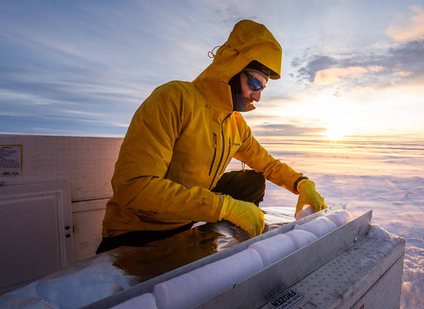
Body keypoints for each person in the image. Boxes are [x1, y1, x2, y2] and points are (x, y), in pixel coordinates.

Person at [97, 19, 327, 254]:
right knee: (229, 201)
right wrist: (224, 207)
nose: (257, 96)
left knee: (251, 180)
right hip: (135, 233)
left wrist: (302, 184)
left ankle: (229, 239)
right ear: (232, 68)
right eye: (255, 83)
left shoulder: (235, 123)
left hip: (185, 221)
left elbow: (267, 164)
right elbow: (134, 189)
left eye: (262, 88)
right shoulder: (174, 98)